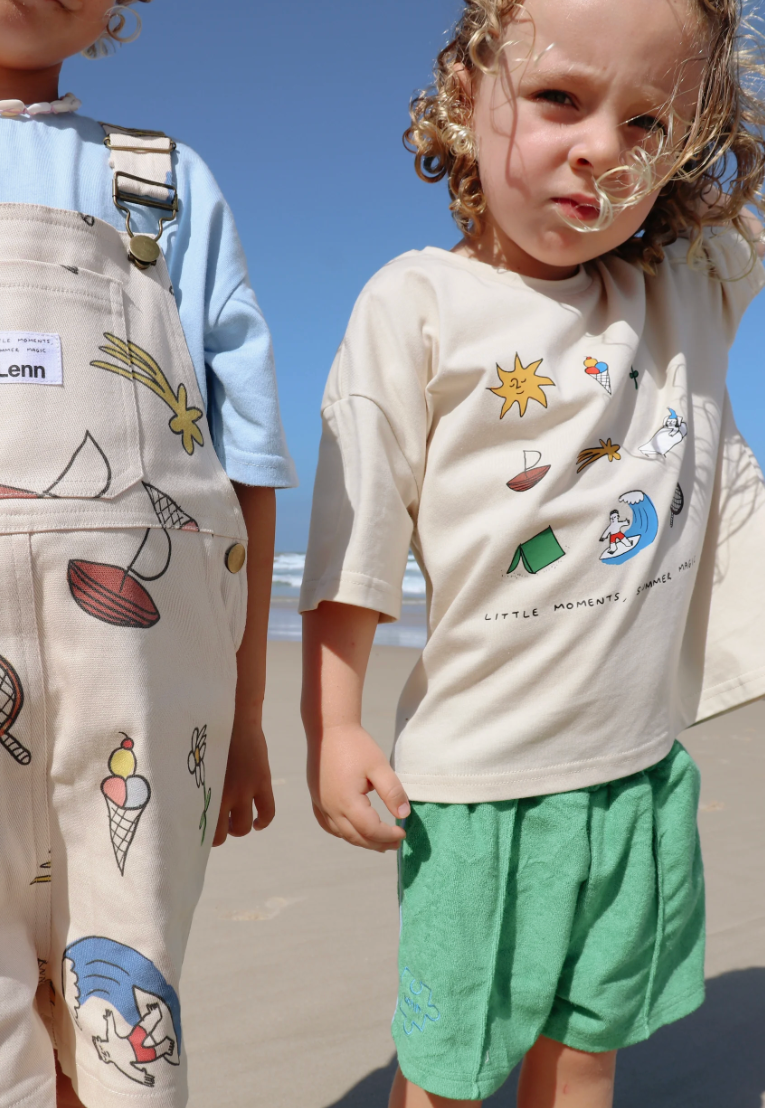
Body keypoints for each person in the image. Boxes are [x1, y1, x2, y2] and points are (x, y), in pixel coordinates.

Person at [300, 1, 765, 1105]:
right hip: (476, 788)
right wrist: (332, 722)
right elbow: (358, 526)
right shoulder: (419, 302)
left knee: (590, 1049)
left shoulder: (685, 287)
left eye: (648, 123)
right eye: (560, 98)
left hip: (639, 770)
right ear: (467, 98)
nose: (601, 147)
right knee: (451, 1070)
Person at [0, 2, 295, 1106]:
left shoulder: (160, 182)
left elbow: (247, 462)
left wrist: (247, 715)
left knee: (126, 1014)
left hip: (143, 691)